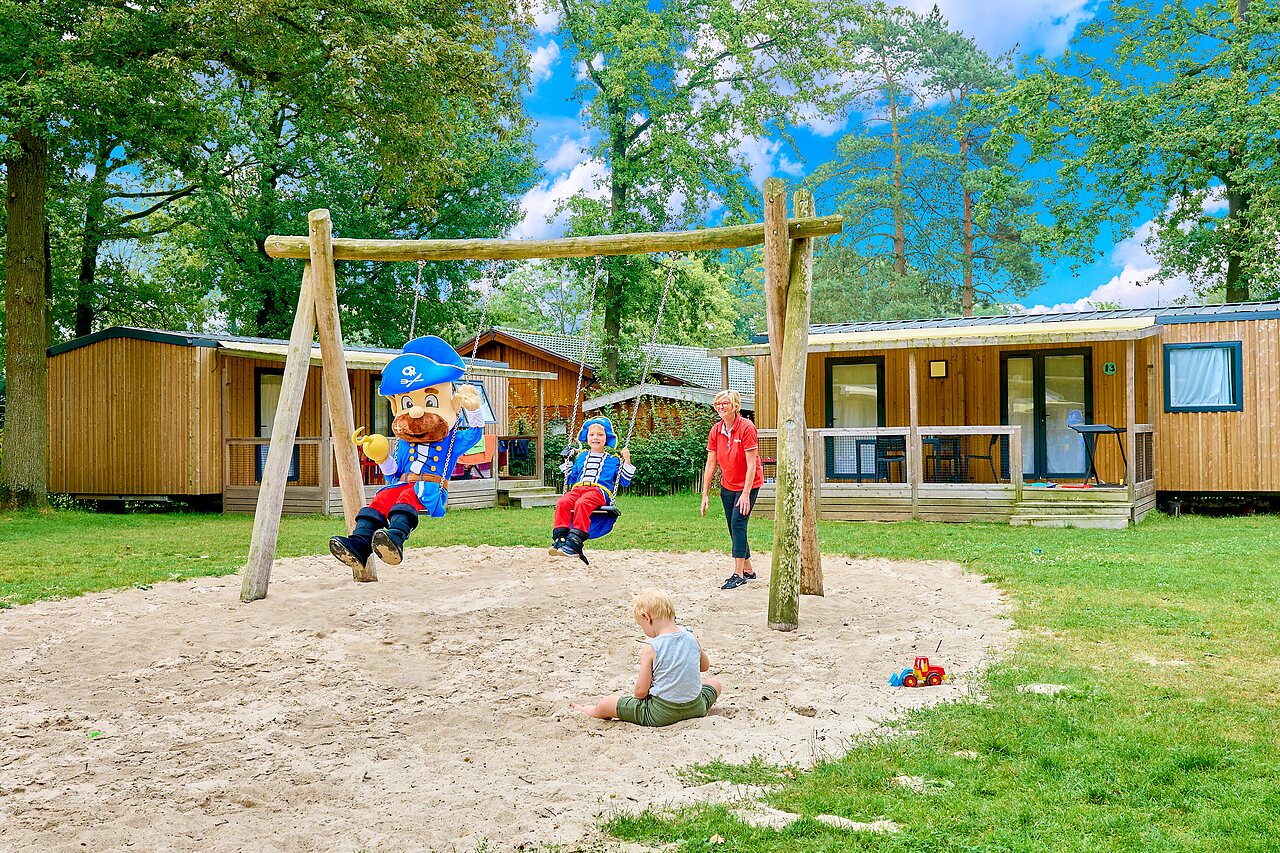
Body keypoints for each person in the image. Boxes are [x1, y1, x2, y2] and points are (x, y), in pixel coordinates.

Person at [570, 588, 721, 727]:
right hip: (696, 708)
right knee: (714, 683)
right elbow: (704, 667)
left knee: (606, 703)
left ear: (646, 617)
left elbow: (640, 692)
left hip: (660, 714)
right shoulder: (690, 637)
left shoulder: (652, 648)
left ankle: (589, 710)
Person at [700, 389, 765, 590]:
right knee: (732, 526)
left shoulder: (746, 428)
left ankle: (738, 574)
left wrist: (745, 494)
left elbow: (752, 464)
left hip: (749, 484)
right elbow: (711, 464)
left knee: (738, 523)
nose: (721, 406)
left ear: (735, 406)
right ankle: (748, 569)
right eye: (718, 403)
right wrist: (704, 494)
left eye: (725, 403)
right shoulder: (716, 430)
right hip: (727, 485)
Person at [550, 416, 634, 560]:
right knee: (562, 502)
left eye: (600, 434)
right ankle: (560, 539)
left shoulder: (612, 459)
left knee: (582, 503)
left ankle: (575, 543)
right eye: (592, 434)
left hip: (599, 491)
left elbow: (624, 481)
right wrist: (567, 460)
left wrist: (627, 460)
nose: (596, 438)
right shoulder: (581, 457)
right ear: (587, 438)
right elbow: (570, 477)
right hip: (578, 489)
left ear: (606, 438)